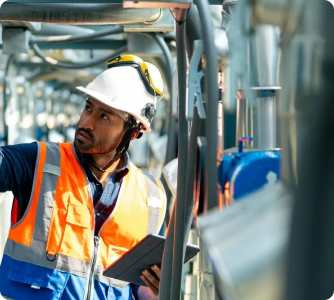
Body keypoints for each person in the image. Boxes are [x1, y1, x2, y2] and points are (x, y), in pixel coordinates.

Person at [0, 55, 167, 300]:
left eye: (104, 116)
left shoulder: (151, 198)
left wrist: (158, 289)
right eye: (89, 107)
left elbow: (141, 290)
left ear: (133, 132)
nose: (87, 123)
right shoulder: (37, 163)